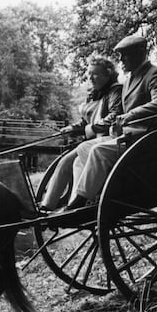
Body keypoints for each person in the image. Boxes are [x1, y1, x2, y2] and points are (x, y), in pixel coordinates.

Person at [66, 34, 157, 210]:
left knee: (99, 151)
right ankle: (94, 192)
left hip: (149, 135)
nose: (121, 59)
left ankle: (81, 200)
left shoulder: (155, 73)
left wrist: (131, 115)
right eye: (120, 55)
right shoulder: (129, 78)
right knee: (84, 148)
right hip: (129, 135)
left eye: (125, 54)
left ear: (140, 53)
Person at [40, 57, 122, 210]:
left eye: (95, 74)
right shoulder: (94, 93)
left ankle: (73, 205)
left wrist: (89, 129)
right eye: (89, 74)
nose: (90, 78)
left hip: (106, 140)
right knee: (64, 162)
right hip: (95, 140)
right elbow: (85, 121)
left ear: (108, 74)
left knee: (73, 161)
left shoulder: (115, 91)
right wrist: (72, 128)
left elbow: (114, 117)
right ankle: (47, 205)